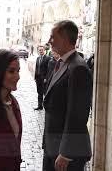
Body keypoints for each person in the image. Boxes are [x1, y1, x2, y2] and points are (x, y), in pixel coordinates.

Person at [43, 20, 92, 171]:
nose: (49, 41)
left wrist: (66, 153)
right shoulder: (63, 62)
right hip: (54, 146)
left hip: (67, 154)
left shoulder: (78, 68)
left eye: (52, 37)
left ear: (64, 39)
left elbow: (77, 114)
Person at [34, 45, 50, 110]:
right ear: (38, 51)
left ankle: (47, 106)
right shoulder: (38, 58)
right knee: (39, 93)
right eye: (39, 50)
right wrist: (35, 77)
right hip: (38, 78)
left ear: (44, 50)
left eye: (42, 50)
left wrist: (46, 78)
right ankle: (40, 106)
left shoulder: (48, 58)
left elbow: (49, 69)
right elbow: (36, 68)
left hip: (44, 79)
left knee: (45, 93)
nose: (41, 51)